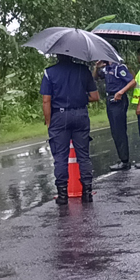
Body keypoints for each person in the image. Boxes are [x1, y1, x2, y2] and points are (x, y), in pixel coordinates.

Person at [41, 54, 99, 204]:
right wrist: (79, 97)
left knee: (60, 157)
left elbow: (46, 100)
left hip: (59, 117)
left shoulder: (49, 72)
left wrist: (49, 122)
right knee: (83, 156)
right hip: (80, 114)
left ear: (57, 56)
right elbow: (95, 96)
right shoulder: (83, 70)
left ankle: (62, 195)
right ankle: (87, 193)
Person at [95, 59, 136, 170]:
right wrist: (97, 67)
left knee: (119, 130)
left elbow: (132, 81)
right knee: (114, 130)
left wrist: (121, 92)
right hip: (110, 100)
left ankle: (125, 161)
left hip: (119, 99)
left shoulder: (119, 67)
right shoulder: (107, 68)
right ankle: (123, 159)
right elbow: (96, 77)